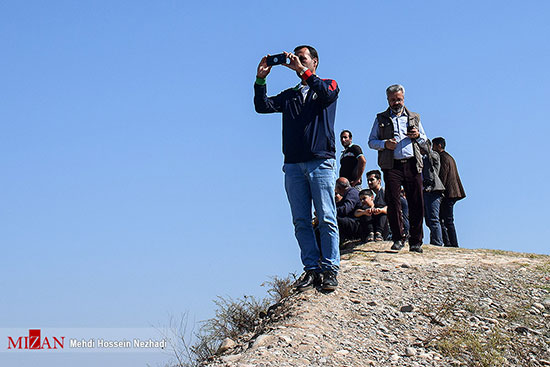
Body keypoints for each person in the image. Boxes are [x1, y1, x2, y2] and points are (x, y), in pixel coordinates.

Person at [254, 45, 340, 291]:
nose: (296, 62)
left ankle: (330, 269)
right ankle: (312, 269)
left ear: (315, 61)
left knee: (326, 217)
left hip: (320, 161)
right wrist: (261, 79)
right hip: (293, 165)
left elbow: (326, 95)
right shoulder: (291, 94)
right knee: (301, 220)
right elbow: (263, 106)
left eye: (302, 58)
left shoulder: (328, 84)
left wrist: (303, 72)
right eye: (295, 58)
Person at [368, 84, 428, 253]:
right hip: (391, 165)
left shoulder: (414, 117)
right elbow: (371, 141)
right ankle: (398, 238)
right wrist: (384, 144)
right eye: (393, 100)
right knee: (393, 202)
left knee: (417, 203)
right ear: (388, 100)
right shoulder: (380, 118)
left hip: (412, 163)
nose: (396, 103)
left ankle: (416, 241)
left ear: (404, 98)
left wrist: (417, 136)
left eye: (399, 99)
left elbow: (425, 141)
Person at [432, 137, 466, 247]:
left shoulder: (443, 158)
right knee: (446, 219)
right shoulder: (448, 157)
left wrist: (439, 189)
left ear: (439, 146)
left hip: (449, 192)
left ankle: (451, 243)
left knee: (447, 219)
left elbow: (443, 175)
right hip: (453, 191)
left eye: (434, 146)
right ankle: (450, 242)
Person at [421, 140, 445, 246]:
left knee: (434, 218)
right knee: (428, 219)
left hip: (434, 190)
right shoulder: (422, 159)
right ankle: (434, 240)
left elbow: (433, 157)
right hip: (425, 190)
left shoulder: (432, 156)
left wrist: (426, 148)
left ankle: (437, 242)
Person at [334, 177, 361, 243]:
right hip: (353, 222)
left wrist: (330, 212)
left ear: (339, 188)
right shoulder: (349, 194)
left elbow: (346, 209)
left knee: (332, 218)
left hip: (356, 224)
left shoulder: (352, 193)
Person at [366, 170, 389, 240]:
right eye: (368, 180)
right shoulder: (374, 197)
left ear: (379, 181)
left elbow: (393, 208)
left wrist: (381, 210)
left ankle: (379, 234)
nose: (369, 183)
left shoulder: (385, 192)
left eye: (372, 180)